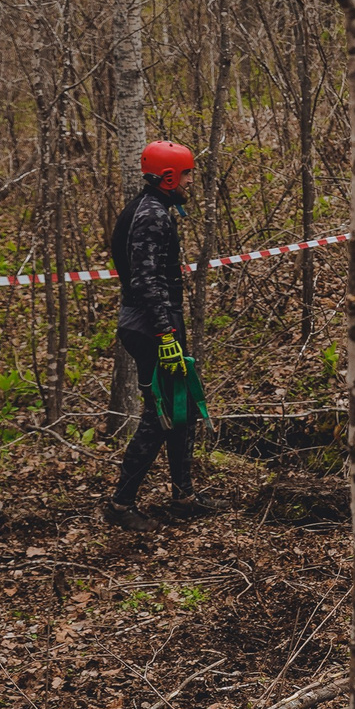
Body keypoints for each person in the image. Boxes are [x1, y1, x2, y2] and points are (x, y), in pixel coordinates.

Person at [106, 140, 224, 531]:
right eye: (188, 174)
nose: (191, 181)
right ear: (170, 176)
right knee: (161, 416)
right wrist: (166, 333)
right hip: (151, 325)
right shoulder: (152, 215)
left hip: (155, 322)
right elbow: (145, 280)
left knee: (183, 407)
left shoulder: (149, 208)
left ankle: (183, 495)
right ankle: (121, 505)